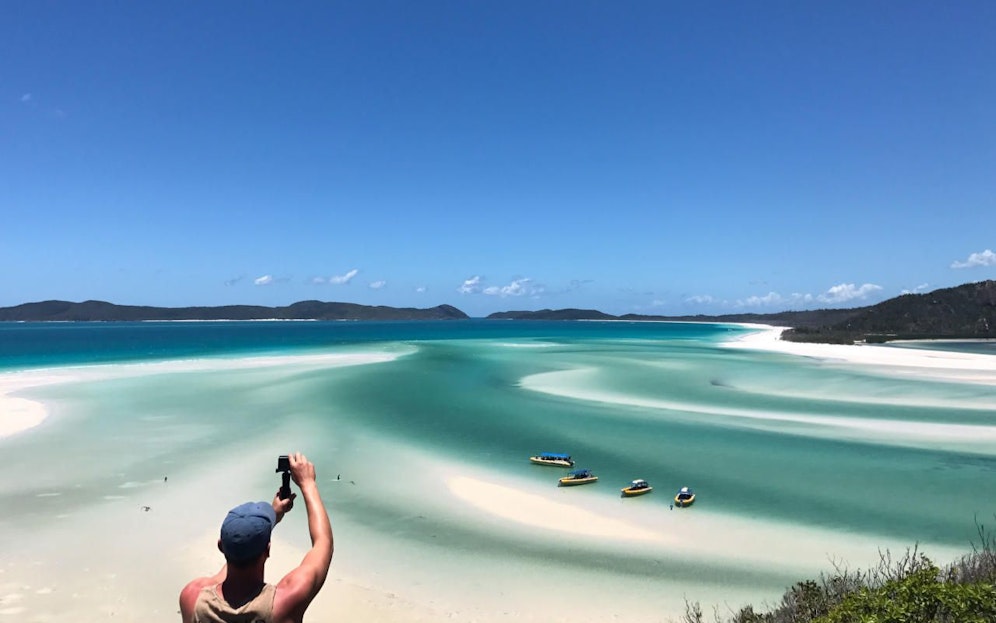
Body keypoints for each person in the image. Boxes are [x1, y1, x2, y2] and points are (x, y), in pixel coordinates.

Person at [179, 452, 333, 623]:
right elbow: (323, 542)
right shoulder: (283, 603)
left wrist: (272, 518)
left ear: (221, 547)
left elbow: (236, 556)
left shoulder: (192, 598)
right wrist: (308, 483)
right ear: (268, 549)